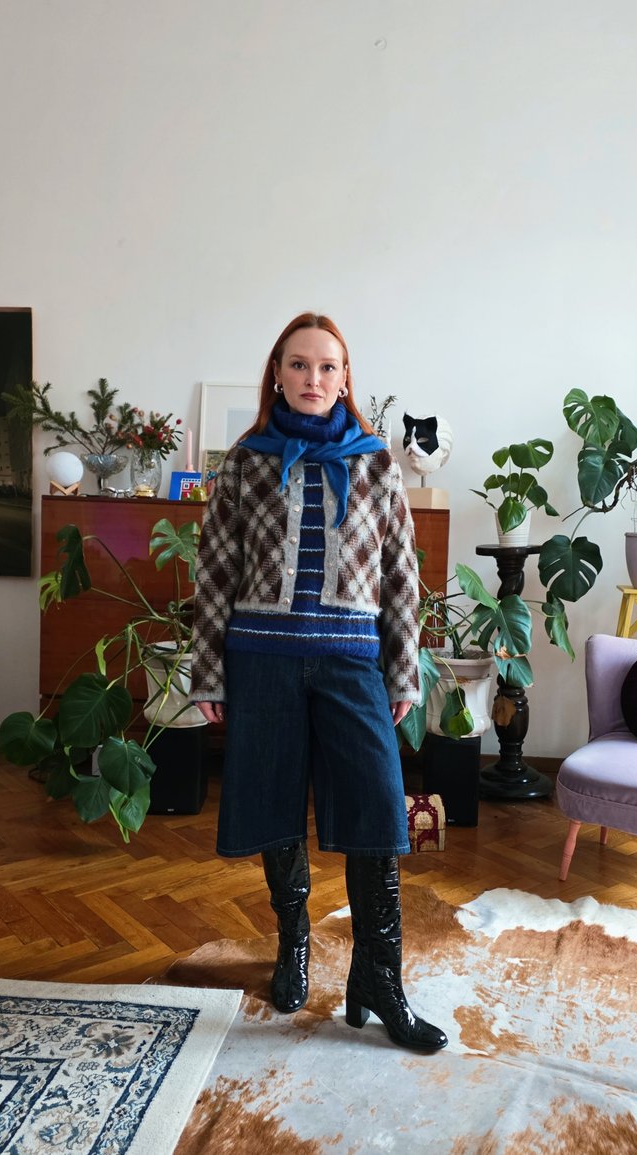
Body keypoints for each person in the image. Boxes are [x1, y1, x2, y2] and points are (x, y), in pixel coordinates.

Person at [190, 312, 447, 1053]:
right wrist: (210, 667)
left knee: (376, 810)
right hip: (260, 658)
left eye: (327, 367)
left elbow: (402, 575)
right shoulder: (244, 463)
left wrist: (402, 667)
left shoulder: (375, 463)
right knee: (274, 804)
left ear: (344, 378)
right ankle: (293, 940)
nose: (313, 379)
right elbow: (214, 574)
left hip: (350, 661)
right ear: (278, 372)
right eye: (299, 365)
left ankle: (379, 974)